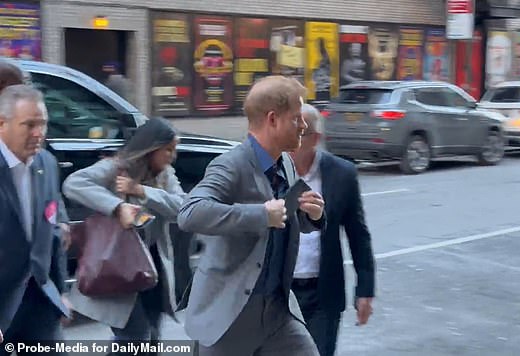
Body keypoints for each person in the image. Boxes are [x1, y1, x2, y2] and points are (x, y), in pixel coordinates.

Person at [177, 75, 326, 356]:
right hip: (229, 315)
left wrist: (312, 215)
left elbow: (283, 218)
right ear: (273, 119)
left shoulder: (285, 161)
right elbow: (189, 213)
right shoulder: (230, 165)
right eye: (296, 118)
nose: (304, 126)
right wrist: (259, 214)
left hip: (278, 315)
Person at [62, 117, 185, 349]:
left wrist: (141, 191)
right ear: (151, 148)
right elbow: (73, 183)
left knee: (152, 338)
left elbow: (182, 207)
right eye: (167, 150)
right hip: (117, 264)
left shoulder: (166, 175)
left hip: (151, 267)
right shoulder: (117, 168)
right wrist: (117, 207)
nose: (172, 156)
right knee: (135, 337)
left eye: (174, 150)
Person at [289, 104, 376, 356]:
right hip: (280, 291)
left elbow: (358, 234)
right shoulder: (272, 170)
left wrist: (365, 289)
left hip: (322, 292)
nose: (291, 138)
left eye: (300, 132)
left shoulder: (342, 173)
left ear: (315, 138)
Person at [0, 84, 71, 354]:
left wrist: (61, 290)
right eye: (29, 125)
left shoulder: (47, 164)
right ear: (1, 124)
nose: (38, 133)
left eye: (42, 124)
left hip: (40, 296)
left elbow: (52, 231)